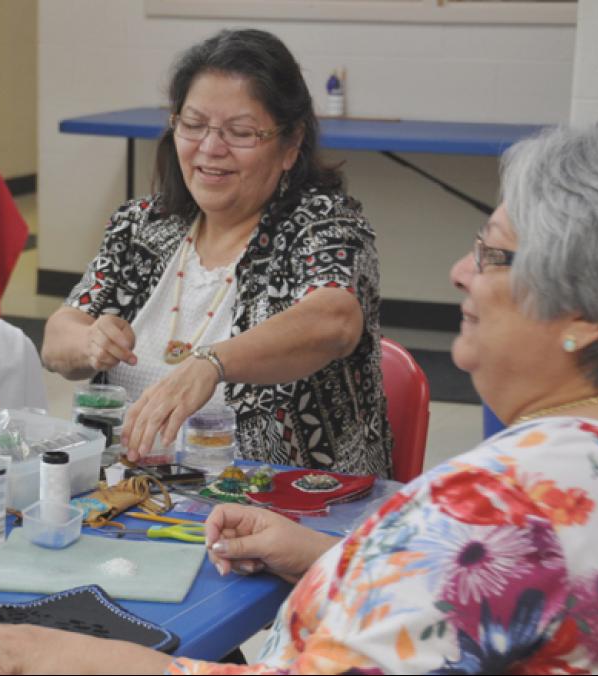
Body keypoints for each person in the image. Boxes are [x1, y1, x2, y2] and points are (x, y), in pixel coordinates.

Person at [0, 124, 598, 674]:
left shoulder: (500, 502)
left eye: (492, 254)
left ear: (585, 314)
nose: (458, 270)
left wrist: (63, 658)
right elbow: (507, 600)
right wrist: (333, 554)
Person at [41, 29, 391, 474]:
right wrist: (91, 340)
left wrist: (211, 363)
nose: (210, 148)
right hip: (134, 497)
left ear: (291, 144)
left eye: (240, 132)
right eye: (193, 125)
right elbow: (56, 341)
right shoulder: (143, 227)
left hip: (289, 507)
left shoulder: (325, 225)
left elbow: (334, 320)